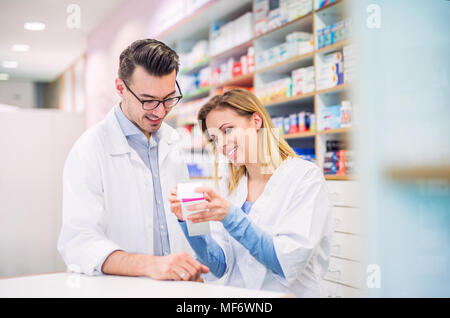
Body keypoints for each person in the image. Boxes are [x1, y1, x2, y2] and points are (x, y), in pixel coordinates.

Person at [58, 39, 209, 281]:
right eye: (148, 100)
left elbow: (190, 219)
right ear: (120, 87)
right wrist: (151, 265)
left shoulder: (173, 140)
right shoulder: (89, 149)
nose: (159, 112)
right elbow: (78, 242)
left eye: (168, 98)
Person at [168, 89, 333, 296]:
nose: (222, 145)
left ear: (256, 121)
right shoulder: (234, 186)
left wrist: (229, 216)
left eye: (227, 130)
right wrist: (190, 222)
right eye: (215, 140)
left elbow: (286, 262)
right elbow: (219, 265)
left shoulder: (305, 178)